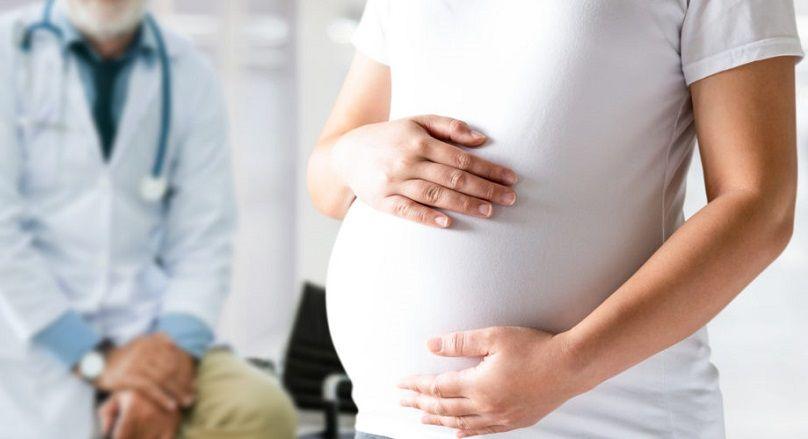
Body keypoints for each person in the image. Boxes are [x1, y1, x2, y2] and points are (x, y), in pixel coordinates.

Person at [308, 1, 803, 438]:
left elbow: (760, 206)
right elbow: (327, 184)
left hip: (609, 422)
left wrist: (568, 365)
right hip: (392, 421)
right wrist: (352, 154)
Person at [0, 1, 296, 438]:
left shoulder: (188, 72)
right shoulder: (9, 52)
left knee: (257, 411)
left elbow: (204, 238)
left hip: (146, 326)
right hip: (25, 332)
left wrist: (171, 359)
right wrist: (95, 360)